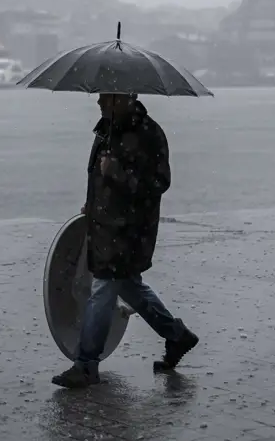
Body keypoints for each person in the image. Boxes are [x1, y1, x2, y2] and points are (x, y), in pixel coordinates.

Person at [52, 93, 199, 389]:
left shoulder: (149, 133)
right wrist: (91, 203)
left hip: (129, 230)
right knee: (129, 287)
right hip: (106, 226)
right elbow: (97, 175)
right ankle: (177, 335)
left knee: (103, 288)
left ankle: (86, 364)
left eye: (106, 97)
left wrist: (118, 173)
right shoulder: (106, 128)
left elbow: (159, 183)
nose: (99, 102)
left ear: (126, 97)